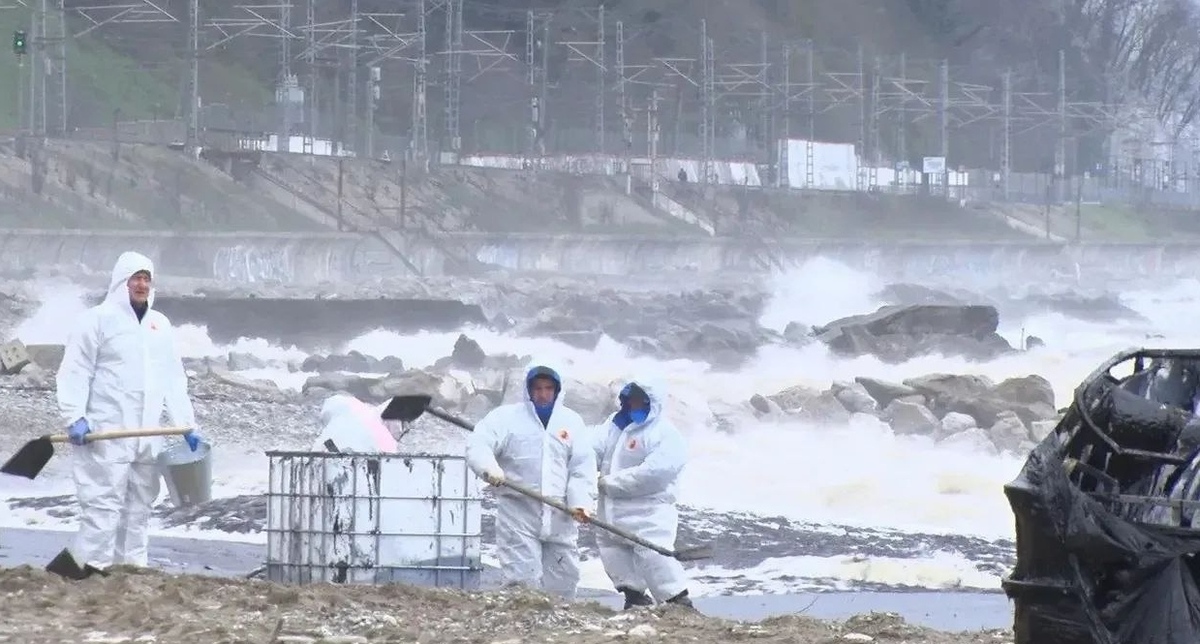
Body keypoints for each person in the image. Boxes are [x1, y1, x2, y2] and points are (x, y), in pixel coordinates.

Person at [55, 251, 202, 571]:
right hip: (105, 434)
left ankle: (131, 572)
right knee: (102, 509)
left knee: (138, 511)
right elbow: (75, 372)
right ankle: (88, 571)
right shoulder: (95, 321)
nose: (141, 284)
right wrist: (75, 416)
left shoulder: (158, 325)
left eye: (147, 278)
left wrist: (185, 424)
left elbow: (172, 378)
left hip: (145, 436)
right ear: (121, 281)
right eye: (135, 278)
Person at [465, 365, 596, 600]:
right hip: (518, 511)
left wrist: (581, 503)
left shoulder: (571, 422)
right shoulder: (505, 418)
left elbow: (581, 468)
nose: (543, 394)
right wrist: (489, 469)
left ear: (557, 390)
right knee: (522, 580)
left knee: (564, 579)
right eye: (537, 388)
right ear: (528, 390)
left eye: (548, 388)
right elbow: (479, 444)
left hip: (560, 514)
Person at [592, 377, 694, 610]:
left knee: (653, 554)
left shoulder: (664, 433)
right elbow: (590, 451)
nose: (635, 403)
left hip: (648, 513)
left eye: (640, 398)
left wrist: (610, 483)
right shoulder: (614, 426)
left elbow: (657, 472)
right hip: (610, 513)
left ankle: (677, 601)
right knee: (613, 552)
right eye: (631, 398)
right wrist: (582, 468)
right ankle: (634, 597)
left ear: (652, 400)